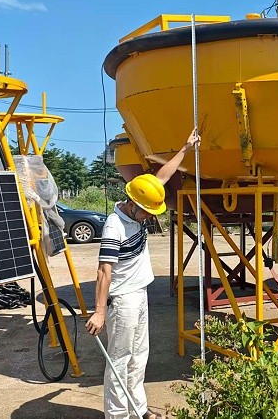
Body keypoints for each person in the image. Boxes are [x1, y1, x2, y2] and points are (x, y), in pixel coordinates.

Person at [85, 129, 199, 419]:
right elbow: (104, 271)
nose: (150, 216)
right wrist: (99, 312)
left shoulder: (140, 199)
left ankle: (138, 410)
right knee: (120, 361)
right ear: (133, 205)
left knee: (139, 359)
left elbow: (159, 178)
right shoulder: (115, 227)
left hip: (139, 294)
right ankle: (118, 415)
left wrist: (185, 148)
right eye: (147, 212)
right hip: (122, 301)